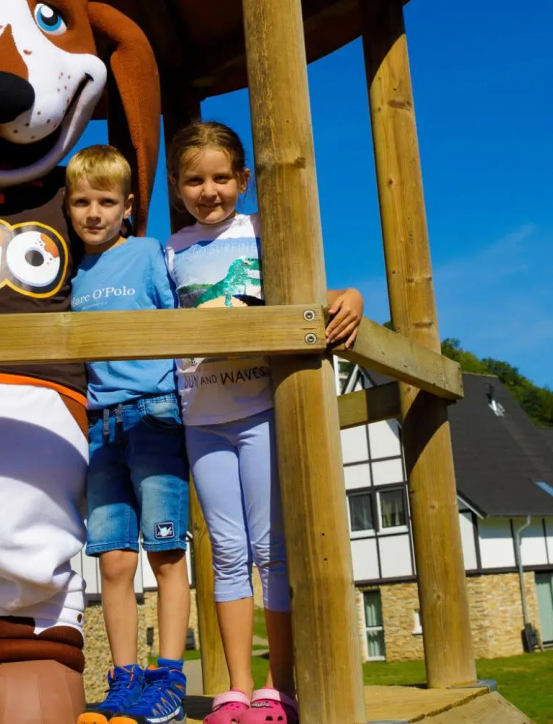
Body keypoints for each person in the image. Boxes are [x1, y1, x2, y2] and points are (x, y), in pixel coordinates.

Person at [165, 122, 363, 724]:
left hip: (258, 410)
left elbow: (304, 292)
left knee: (269, 550)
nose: (209, 191)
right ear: (176, 187)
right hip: (202, 415)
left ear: (243, 180)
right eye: (194, 180)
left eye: (221, 178)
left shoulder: (260, 232)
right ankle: (234, 689)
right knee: (225, 552)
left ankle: (279, 687)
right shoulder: (170, 251)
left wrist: (349, 294)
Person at [67, 146, 189, 724]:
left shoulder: (144, 255)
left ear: (127, 207)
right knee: (113, 560)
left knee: (164, 548)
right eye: (82, 201)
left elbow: (179, 320)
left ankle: (167, 675)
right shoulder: (73, 273)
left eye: (106, 202)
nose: (94, 212)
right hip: (101, 424)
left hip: (155, 411)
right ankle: (123, 679)